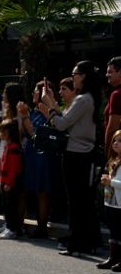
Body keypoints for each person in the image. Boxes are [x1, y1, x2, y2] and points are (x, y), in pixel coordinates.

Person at [39, 60, 102, 255]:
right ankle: (87, 241)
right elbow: (66, 118)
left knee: (76, 202)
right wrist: (52, 105)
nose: (72, 76)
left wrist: (48, 108)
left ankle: (77, 243)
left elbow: (62, 124)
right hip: (82, 152)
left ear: (83, 76)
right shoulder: (88, 98)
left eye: (75, 73)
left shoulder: (83, 99)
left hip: (77, 153)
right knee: (82, 201)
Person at [17, 80, 56, 238]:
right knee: (24, 190)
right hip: (29, 155)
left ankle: (41, 228)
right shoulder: (33, 111)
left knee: (42, 192)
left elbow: (35, 134)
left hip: (42, 156)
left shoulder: (46, 112)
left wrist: (25, 117)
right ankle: (18, 225)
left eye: (35, 90)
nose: (33, 93)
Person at [0, 120, 23, 239]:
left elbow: (14, 167)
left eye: (1, 131)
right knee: (6, 206)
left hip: (9, 182)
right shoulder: (7, 146)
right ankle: (8, 226)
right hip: (4, 180)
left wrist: (9, 182)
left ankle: (12, 229)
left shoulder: (14, 148)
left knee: (11, 207)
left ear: (8, 132)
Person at [99, 129, 121, 271]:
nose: (115, 143)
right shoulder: (113, 161)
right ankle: (113, 257)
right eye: (114, 140)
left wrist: (110, 182)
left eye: (120, 141)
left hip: (120, 204)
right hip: (110, 202)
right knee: (113, 231)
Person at [104, 56, 121, 157]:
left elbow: (112, 127)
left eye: (110, 72)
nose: (107, 75)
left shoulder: (117, 94)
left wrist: (108, 153)